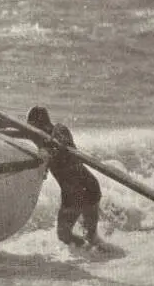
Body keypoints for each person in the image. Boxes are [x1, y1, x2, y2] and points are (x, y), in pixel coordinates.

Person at [25, 106, 102, 249]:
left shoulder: (59, 129)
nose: (30, 130)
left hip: (86, 188)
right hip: (72, 193)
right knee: (64, 236)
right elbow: (20, 132)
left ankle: (101, 259)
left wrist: (57, 146)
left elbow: (63, 140)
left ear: (39, 123)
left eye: (31, 125)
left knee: (89, 236)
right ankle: (89, 254)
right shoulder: (38, 136)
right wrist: (3, 126)